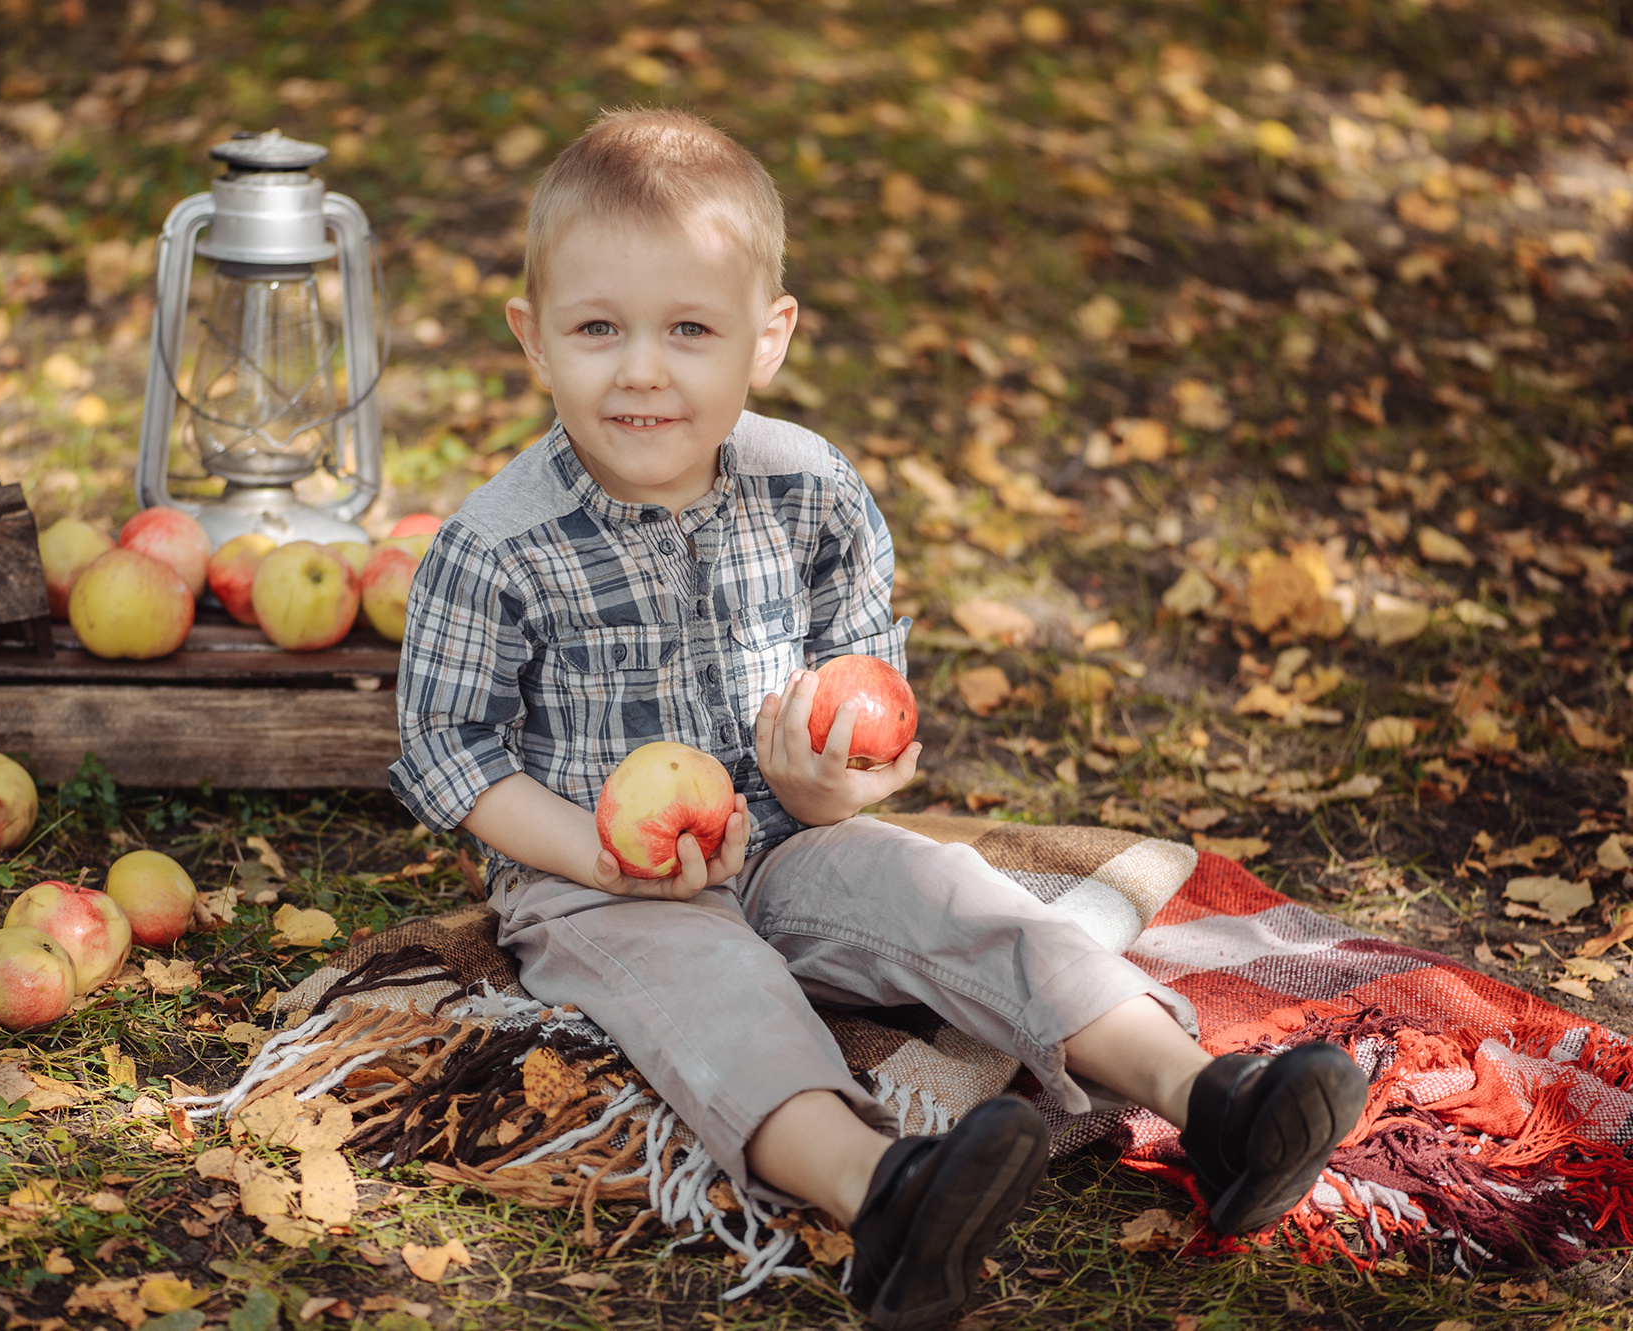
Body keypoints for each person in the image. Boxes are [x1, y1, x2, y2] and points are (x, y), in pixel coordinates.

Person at [389, 108, 1366, 1331]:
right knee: (716, 988)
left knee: (957, 902)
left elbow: (863, 730)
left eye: (689, 329)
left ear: (768, 337)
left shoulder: (814, 493)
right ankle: (884, 1194)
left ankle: (1211, 1100)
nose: (641, 369)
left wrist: (826, 794)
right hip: (589, 879)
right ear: (533, 340)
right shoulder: (494, 543)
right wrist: (593, 853)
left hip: (787, 837)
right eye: (598, 329)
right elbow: (448, 754)